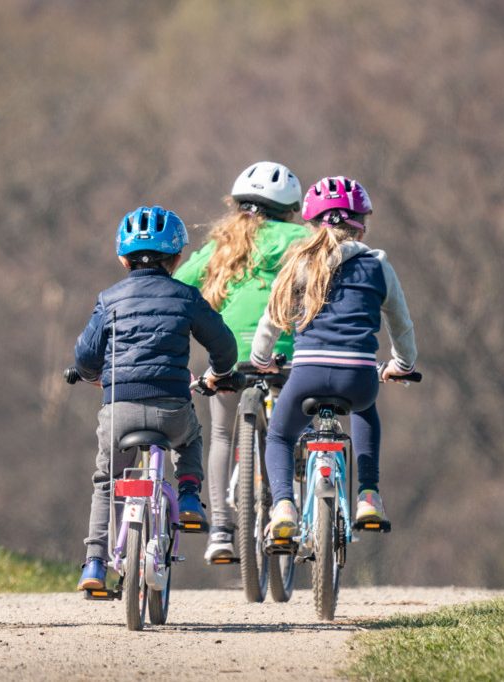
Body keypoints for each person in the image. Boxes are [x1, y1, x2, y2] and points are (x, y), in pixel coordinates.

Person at [73, 206, 238, 591]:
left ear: (121, 257)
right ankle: (190, 495)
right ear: (177, 257)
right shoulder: (186, 296)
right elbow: (224, 346)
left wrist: (92, 376)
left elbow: (84, 356)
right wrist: (218, 373)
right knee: (193, 437)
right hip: (171, 407)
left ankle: (94, 564)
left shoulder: (108, 299)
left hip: (120, 411)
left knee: (105, 481)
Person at [250, 176, 416, 538]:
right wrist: (402, 365)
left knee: (278, 436)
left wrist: (261, 359)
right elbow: (401, 326)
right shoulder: (378, 265)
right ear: (362, 225)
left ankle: (283, 507)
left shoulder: (299, 264)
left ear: (310, 224)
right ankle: (368, 495)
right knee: (365, 409)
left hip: (306, 373)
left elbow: (271, 321)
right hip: (357, 377)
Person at [175, 161, 309, 563]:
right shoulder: (304, 239)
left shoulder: (222, 244)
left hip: (228, 356)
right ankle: (286, 504)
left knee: (220, 435)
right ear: (290, 209)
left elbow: (178, 286)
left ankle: (220, 530)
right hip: (284, 354)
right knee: (286, 436)